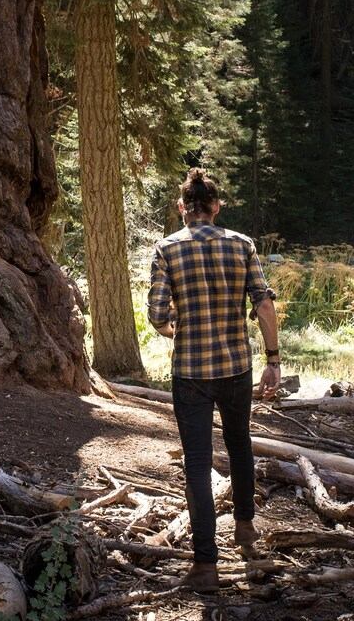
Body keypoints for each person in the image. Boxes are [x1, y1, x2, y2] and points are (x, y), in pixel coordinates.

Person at [146, 168, 281, 592]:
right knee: (239, 445)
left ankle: (206, 566)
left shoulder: (167, 249)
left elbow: (156, 315)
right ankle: (245, 529)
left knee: (198, 464)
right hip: (237, 367)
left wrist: (175, 329)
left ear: (182, 208)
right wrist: (273, 360)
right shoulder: (242, 245)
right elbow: (264, 306)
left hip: (191, 374)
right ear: (217, 206)